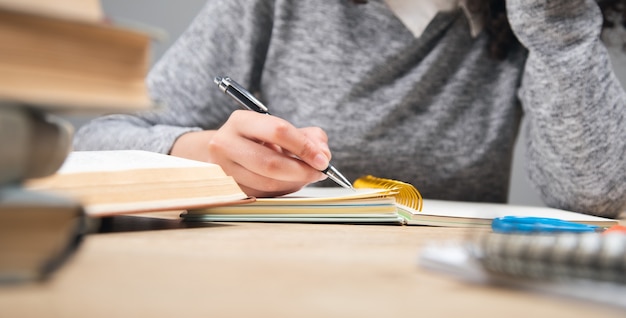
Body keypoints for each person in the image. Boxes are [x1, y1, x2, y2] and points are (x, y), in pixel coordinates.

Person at [74, 0, 626, 218]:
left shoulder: (536, 20)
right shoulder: (273, 5)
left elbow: (596, 194)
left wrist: (559, 32)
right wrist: (197, 151)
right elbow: (97, 141)